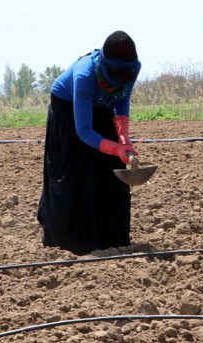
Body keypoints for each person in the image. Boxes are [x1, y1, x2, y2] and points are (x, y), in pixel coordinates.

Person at [37, 30, 142, 254]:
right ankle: (70, 239)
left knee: (108, 171)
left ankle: (111, 237)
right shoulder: (84, 76)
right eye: (112, 80)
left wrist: (124, 140)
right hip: (68, 109)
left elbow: (121, 102)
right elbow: (84, 131)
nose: (116, 85)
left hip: (102, 105)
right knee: (77, 171)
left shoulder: (132, 69)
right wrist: (116, 149)